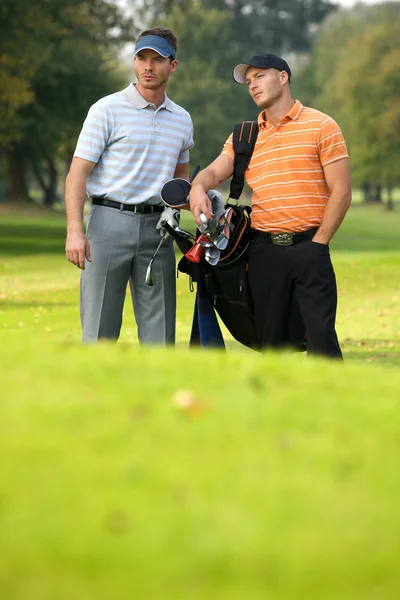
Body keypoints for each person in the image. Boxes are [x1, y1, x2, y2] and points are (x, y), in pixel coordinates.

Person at [189, 53, 351, 358]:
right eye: (248, 82)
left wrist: (320, 242)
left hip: (310, 248)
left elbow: (341, 191)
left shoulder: (321, 126)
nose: (252, 85)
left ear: (283, 77)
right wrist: (198, 186)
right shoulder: (245, 136)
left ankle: (332, 404)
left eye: (259, 76)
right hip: (263, 253)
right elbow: (213, 172)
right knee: (271, 344)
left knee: (322, 342)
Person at [65, 27, 194, 344]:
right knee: (99, 331)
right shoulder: (106, 109)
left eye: (157, 60)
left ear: (172, 65)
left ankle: (155, 393)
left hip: (158, 230)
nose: (148, 67)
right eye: (141, 58)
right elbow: (77, 173)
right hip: (108, 225)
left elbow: (180, 183)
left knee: (160, 335)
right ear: (134, 62)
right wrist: (74, 231)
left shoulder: (182, 119)